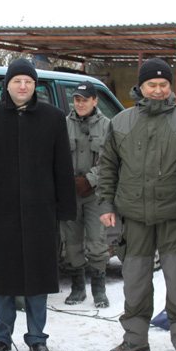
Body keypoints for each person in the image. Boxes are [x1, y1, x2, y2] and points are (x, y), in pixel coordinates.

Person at [97, 58, 176, 351]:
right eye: (152, 85)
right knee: (134, 281)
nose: (158, 90)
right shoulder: (121, 122)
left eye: (164, 84)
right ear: (141, 86)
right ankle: (135, 339)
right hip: (134, 217)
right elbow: (107, 167)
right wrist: (105, 204)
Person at [0, 58, 76, 351]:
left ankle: (37, 338)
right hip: (2, 212)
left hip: (40, 211)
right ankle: (0, 337)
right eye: (17, 81)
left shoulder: (54, 118)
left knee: (37, 278)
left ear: (35, 86)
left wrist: (66, 208)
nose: (22, 86)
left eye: (28, 81)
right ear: (7, 85)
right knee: (3, 277)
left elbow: (62, 167)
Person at [60, 81, 111, 308]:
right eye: (77, 100)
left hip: (95, 195)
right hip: (70, 193)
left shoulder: (107, 126)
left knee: (96, 243)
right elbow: (56, 156)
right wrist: (70, 180)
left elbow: (110, 160)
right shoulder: (63, 124)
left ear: (95, 101)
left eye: (85, 100)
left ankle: (99, 290)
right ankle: (77, 288)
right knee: (72, 243)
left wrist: (90, 180)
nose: (80, 104)